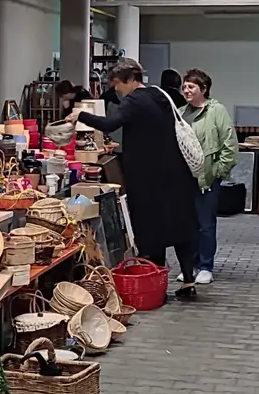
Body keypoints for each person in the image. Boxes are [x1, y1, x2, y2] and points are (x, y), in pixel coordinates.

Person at [69, 58, 201, 298]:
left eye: (118, 84)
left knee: (153, 230)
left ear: (130, 79)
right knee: (181, 227)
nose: (116, 90)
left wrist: (81, 115)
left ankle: (156, 284)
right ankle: (188, 283)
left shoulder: (134, 101)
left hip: (150, 177)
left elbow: (109, 123)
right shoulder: (158, 94)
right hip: (177, 173)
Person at [179, 69, 238, 285]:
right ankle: (190, 265)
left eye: (191, 86)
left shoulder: (217, 111)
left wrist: (218, 172)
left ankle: (205, 266)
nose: (186, 90)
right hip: (185, 178)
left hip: (208, 177)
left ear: (203, 89)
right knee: (188, 224)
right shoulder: (180, 113)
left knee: (205, 224)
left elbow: (229, 144)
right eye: (184, 86)